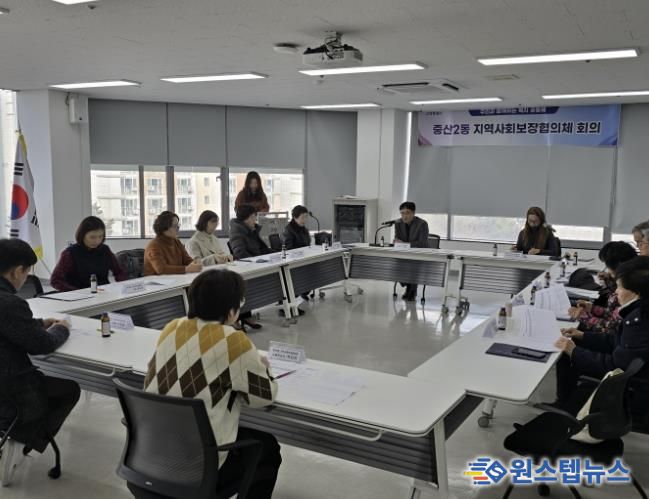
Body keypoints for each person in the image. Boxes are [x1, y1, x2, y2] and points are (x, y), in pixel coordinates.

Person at [144, 269, 280, 499]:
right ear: (231, 310)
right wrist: (264, 367)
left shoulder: (171, 327)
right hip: (197, 468)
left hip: (151, 456)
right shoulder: (233, 340)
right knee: (268, 448)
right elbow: (263, 397)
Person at [0, 239, 80, 466]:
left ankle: (20, 434)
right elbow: (43, 345)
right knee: (69, 390)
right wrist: (62, 329)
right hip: (12, 390)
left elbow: (9, 326)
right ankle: (22, 439)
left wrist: (39, 323)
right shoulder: (9, 303)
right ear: (17, 271)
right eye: (27, 272)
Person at [554, 256, 649, 409]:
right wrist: (583, 335)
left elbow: (614, 367)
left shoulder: (639, 322)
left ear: (636, 292)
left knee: (568, 353)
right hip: (627, 376)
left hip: (626, 388)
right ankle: (566, 401)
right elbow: (615, 340)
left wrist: (574, 352)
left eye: (620, 287)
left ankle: (566, 406)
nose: (616, 292)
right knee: (574, 343)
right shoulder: (638, 311)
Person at [568, 241, 637, 334]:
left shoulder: (629, 290)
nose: (607, 270)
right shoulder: (628, 281)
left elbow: (609, 329)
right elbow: (612, 315)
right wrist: (592, 308)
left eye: (607, 266)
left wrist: (584, 317)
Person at [50, 216, 127, 291]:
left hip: (104, 292)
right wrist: (77, 292)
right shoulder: (69, 254)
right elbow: (55, 280)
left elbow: (119, 272)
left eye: (100, 236)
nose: (97, 241)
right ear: (82, 235)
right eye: (92, 237)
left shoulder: (105, 250)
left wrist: (122, 286)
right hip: (80, 295)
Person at [229, 204, 273, 329]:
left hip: (254, 265)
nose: (255, 220)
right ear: (247, 218)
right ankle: (237, 318)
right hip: (244, 269)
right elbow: (240, 253)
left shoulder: (251, 230)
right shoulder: (237, 232)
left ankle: (246, 316)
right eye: (254, 217)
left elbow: (262, 249)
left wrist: (275, 254)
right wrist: (258, 261)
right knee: (246, 288)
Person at [144, 211, 203, 276]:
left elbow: (187, 260)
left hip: (175, 279)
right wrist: (186, 269)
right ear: (164, 227)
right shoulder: (154, 246)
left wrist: (195, 263)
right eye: (175, 226)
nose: (178, 228)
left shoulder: (176, 241)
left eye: (178, 225)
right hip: (156, 281)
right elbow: (161, 269)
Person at [394, 201, 429, 301]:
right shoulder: (398, 223)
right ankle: (408, 285)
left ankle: (412, 290)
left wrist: (405, 244)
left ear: (413, 213)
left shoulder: (422, 224)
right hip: (404, 254)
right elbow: (397, 239)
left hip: (419, 254)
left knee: (413, 265)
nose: (404, 216)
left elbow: (422, 243)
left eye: (407, 213)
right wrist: (396, 242)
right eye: (402, 213)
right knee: (394, 264)